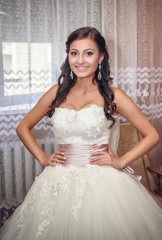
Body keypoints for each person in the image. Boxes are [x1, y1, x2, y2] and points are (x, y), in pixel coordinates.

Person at [0, 26, 162, 240]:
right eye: (74, 53)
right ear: (68, 56)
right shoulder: (56, 93)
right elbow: (23, 127)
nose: (80, 61)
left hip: (103, 182)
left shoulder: (115, 96)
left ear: (101, 57)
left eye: (89, 53)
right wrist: (43, 157)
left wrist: (121, 162)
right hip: (58, 179)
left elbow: (152, 135)